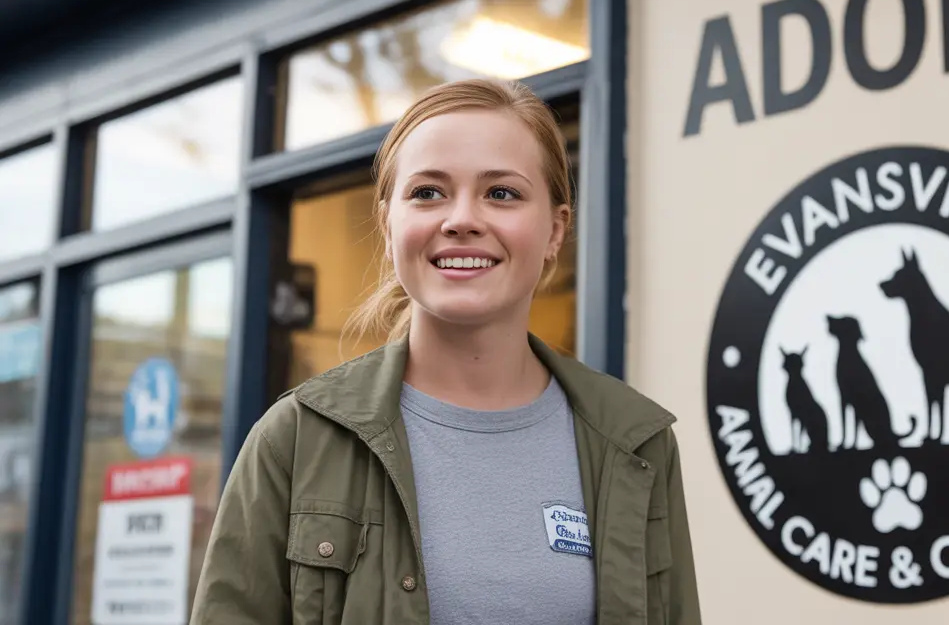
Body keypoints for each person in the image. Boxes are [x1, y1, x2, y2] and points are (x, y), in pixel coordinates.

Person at [190, 78, 701, 624]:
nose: (461, 219)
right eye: (428, 192)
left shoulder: (638, 444)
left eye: (501, 193)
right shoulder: (296, 439)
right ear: (388, 226)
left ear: (556, 229)